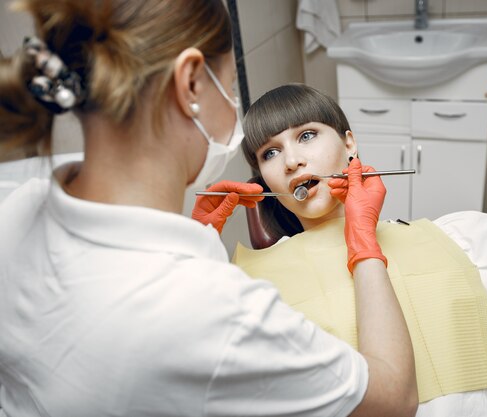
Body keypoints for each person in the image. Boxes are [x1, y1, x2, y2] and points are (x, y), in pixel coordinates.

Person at [0, 2, 418, 416]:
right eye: (232, 86)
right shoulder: (216, 312)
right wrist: (364, 244)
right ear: (192, 83)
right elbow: (394, 398)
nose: (291, 161)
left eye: (306, 136)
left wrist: (198, 237)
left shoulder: (14, 204)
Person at [195, 84, 487, 417]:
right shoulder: (250, 285)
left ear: (349, 144)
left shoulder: (465, 241)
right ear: (263, 178)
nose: (292, 160)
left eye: (307, 135)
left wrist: (362, 236)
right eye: (270, 153)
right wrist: (195, 248)